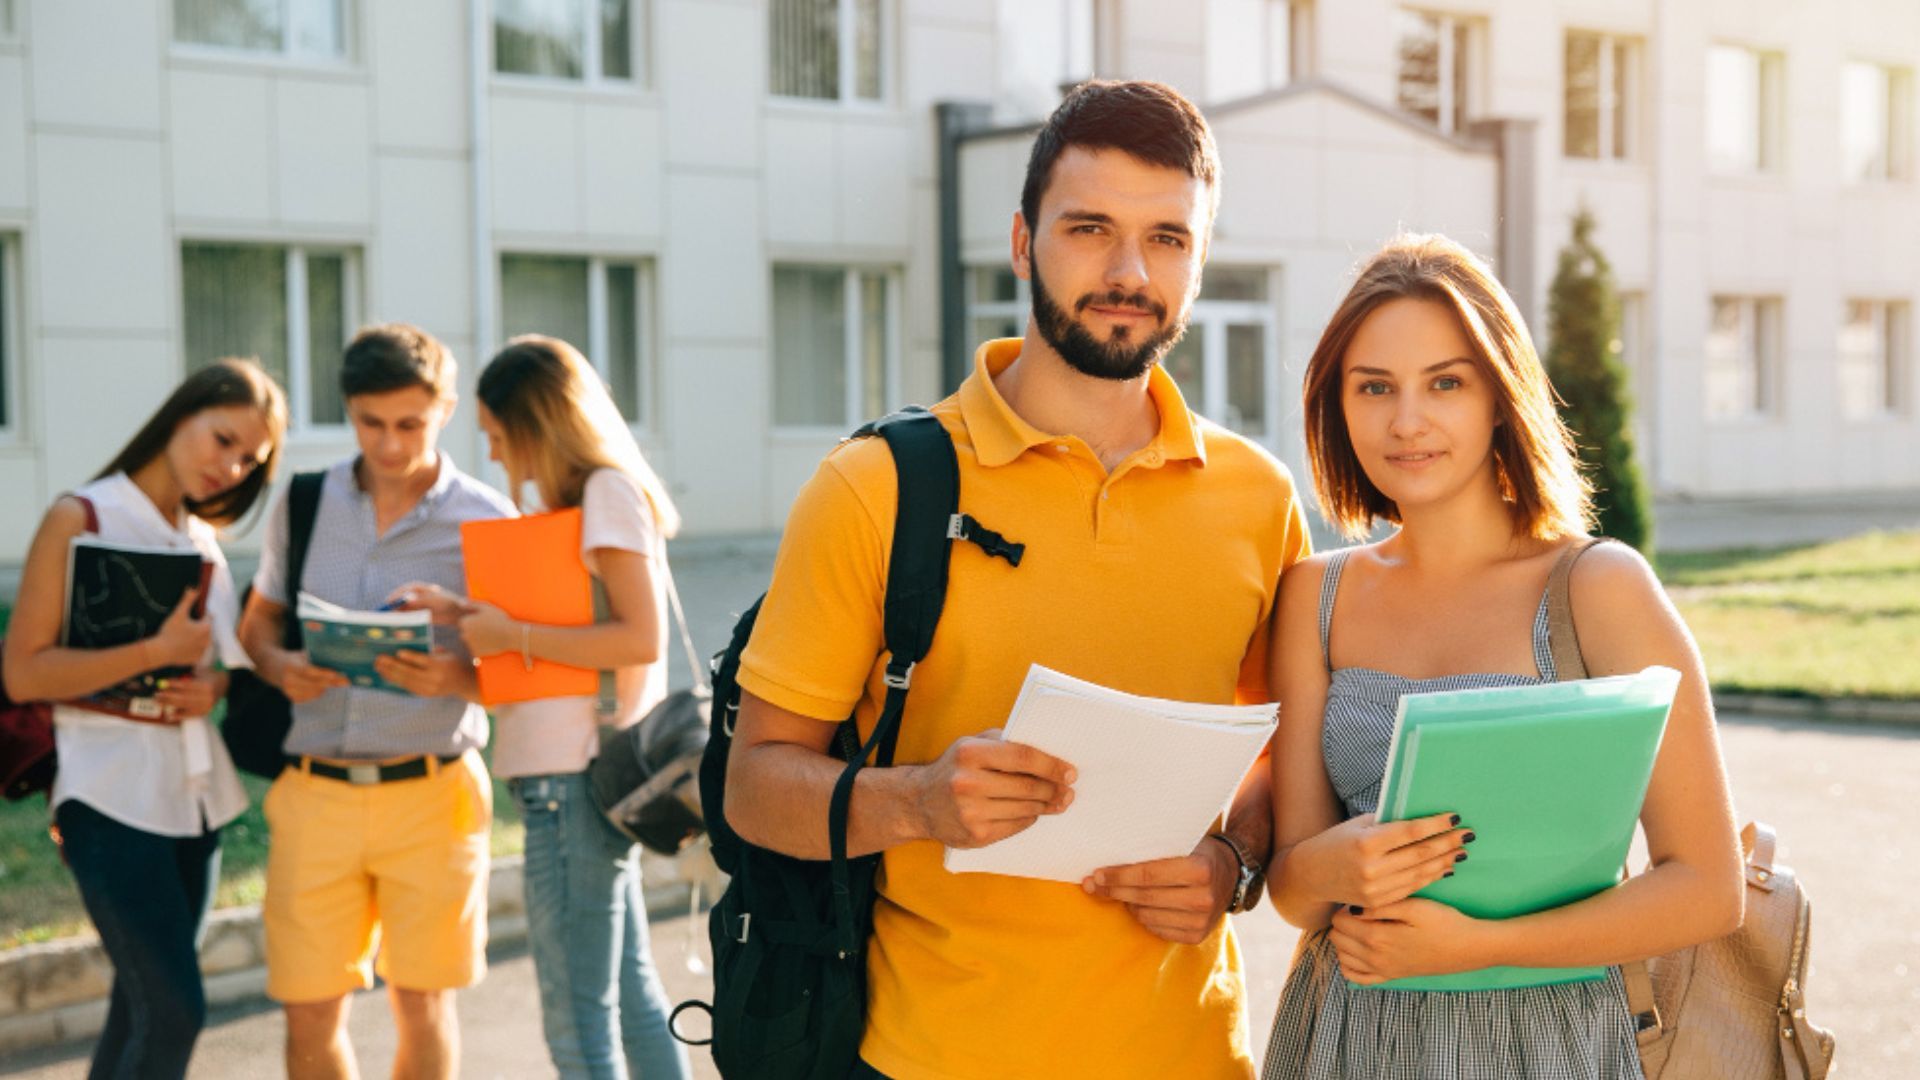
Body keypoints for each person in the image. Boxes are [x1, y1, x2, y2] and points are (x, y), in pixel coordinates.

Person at [724, 80, 1312, 1079]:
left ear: (1199, 260)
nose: (1129, 271)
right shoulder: (873, 488)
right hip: (929, 1057)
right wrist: (915, 801)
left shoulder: (1260, 499)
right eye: (1090, 228)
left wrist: (1232, 865)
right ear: (1021, 241)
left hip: (1193, 1058)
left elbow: (1274, 769)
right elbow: (753, 786)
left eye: (1169, 238)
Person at [1260, 234, 1745, 1078]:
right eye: (1374, 388)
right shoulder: (1314, 595)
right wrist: (1330, 864)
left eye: (1445, 383)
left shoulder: (1599, 587)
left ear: (1498, 397)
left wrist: (1482, 945)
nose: (1406, 421)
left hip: (1548, 1042)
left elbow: (1709, 886)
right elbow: (1293, 890)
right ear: (1337, 405)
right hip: (1345, 1032)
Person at [390, 335, 692, 1080]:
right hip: (574, 778)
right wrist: (468, 618)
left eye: (498, 437)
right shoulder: (589, 500)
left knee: (576, 1016)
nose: (495, 458)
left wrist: (510, 633)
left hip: (572, 783)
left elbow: (637, 639)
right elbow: (570, 644)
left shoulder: (606, 493)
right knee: (625, 997)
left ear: (537, 424)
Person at [237, 324, 514, 1080]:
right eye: (370, 423)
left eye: (410, 424)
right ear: (348, 412)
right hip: (315, 792)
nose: (389, 445)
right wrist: (279, 663)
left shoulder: (490, 517)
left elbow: (529, 673)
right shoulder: (301, 502)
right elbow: (258, 623)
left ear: (446, 409)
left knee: (423, 1004)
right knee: (308, 1011)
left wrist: (459, 679)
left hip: (435, 792)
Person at [3, 359, 286, 1079]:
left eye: (249, 459)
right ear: (178, 416)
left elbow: (212, 666)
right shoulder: (81, 516)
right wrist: (154, 649)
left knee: (141, 1012)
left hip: (195, 802)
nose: (230, 466)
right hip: (106, 792)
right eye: (222, 439)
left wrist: (212, 685)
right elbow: (24, 671)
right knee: (173, 1011)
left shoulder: (203, 541)